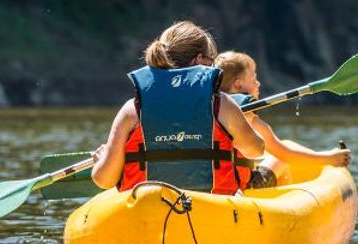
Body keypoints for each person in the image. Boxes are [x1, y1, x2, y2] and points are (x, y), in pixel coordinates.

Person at [92, 21, 265, 195]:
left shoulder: (133, 109)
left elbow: (104, 179)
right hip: (211, 208)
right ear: (199, 59)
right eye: (211, 61)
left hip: (149, 208)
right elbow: (256, 151)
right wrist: (239, 128)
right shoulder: (221, 104)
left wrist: (102, 159)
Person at [214, 50, 351, 188]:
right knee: (284, 152)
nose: (258, 84)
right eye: (254, 79)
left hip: (213, 183)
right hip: (246, 185)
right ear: (238, 85)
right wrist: (330, 158)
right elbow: (287, 155)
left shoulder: (209, 110)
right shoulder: (251, 119)